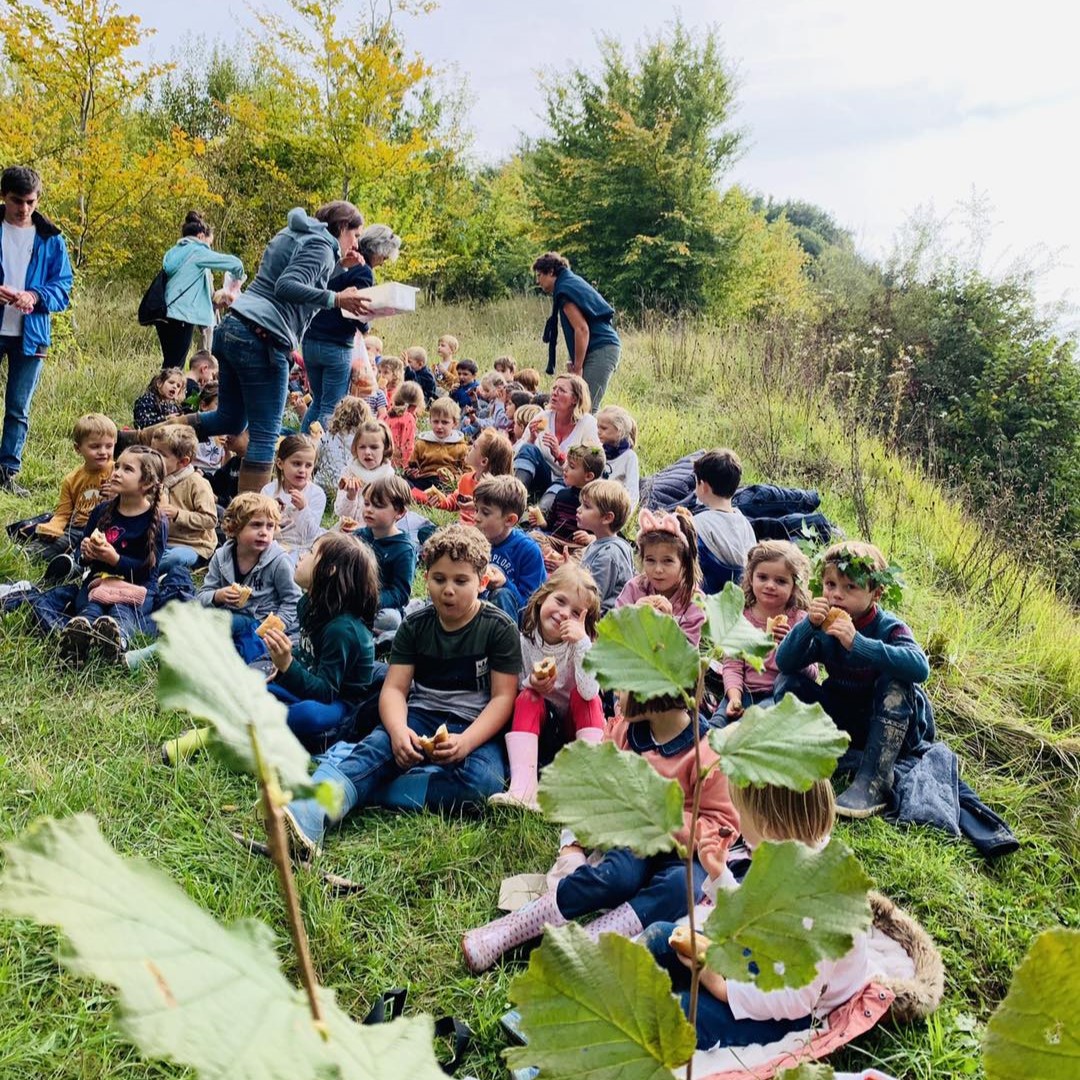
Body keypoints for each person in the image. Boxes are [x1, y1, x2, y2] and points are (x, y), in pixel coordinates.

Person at [461, 683, 739, 972]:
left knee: (681, 888)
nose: (615, 693)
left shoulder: (708, 754)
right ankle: (513, 927)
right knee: (617, 874)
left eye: (623, 684)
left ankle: (590, 943)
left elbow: (722, 825)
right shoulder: (624, 733)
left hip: (686, 854)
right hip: (633, 838)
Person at [280, 524, 522, 855]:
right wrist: (397, 731)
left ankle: (372, 788)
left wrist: (466, 742)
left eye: (460, 581)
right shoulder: (415, 625)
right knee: (376, 750)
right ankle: (308, 813)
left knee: (483, 785)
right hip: (420, 714)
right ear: (427, 579)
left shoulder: (499, 628)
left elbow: (503, 697)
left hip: (475, 724)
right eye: (439, 579)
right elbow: (394, 689)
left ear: (481, 582)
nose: (448, 590)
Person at [137, 203, 373, 496]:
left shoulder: (294, 232)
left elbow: (293, 276)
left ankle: (143, 437)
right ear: (342, 227)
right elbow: (287, 286)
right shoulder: (323, 246)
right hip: (262, 340)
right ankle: (249, 521)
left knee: (230, 419)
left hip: (234, 328)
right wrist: (337, 299)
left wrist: (340, 266)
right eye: (355, 234)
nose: (356, 243)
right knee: (264, 436)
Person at [639, 780, 869, 1051]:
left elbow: (797, 999)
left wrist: (722, 988)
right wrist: (718, 873)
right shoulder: (782, 852)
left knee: (679, 1014)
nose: (736, 820)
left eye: (740, 811)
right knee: (660, 938)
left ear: (766, 826)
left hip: (796, 1005)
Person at [775, 540, 932, 818]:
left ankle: (875, 780)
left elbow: (920, 668)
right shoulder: (824, 626)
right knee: (788, 683)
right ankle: (806, 755)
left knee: (895, 681)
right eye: (830, 584)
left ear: (876, 593)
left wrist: (858, 643)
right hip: (845, 715)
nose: (837, 595)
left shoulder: (888, 627)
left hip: (884, 722)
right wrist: (807, 626)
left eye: (851, 587)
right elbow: (785, 662)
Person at [489, 564, 604, 810]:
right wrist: (533, 683)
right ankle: (524, 789)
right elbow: (513, 686)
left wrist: (583, 642)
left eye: (576, 613)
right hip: (537, 735)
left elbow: (589, 691)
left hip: (575, 732)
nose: (564, 614)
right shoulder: (523, 641)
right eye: (560, 601)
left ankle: (590, 788)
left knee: (588, 700)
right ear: (542, 598)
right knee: (528, 697)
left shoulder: (581, 647)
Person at [40, 446, 168, 667]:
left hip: (134, 588)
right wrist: (86, 553)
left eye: (128, 469)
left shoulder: (155, 521)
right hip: (98, 581)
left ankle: (117, 640)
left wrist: (115, 559)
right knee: (91, 608)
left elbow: (147, 569)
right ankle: (77, 641)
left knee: (120, 611)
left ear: (146, 483)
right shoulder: (102, 511)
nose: (116, 472)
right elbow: (83, 553)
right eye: (117, 466)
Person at [262, 532, 379, 751]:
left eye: (310, 552)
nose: (300, 556)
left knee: (308, 715)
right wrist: (282, 669)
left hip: (341, 702)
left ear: (329, 569)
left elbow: (326, 692)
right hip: (313, 679)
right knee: (255, 685)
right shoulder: (307, 603)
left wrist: (287, 665)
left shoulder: (341, 629)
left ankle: (262, 725)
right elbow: (307, 653)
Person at [0, 166, 73, 496]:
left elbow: (64, 286)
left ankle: (7, 473)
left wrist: (36, 295)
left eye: (30, 201)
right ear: (4, 196)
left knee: (18, 407)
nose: (24, 208)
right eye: (17, 201)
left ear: (38, 199)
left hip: (32, 333)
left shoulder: (52, 239)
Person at [301, 223, 401, 434]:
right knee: (331, 407)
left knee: (317, 402)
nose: (383, 263)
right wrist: (367, 324)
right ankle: (320, 459)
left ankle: (299, 449)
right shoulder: (363, 271)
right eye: (384, 257)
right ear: (379, 250)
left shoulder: (341, 260)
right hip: (335, 344)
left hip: (310, 339)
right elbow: (358, 312)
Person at [195, 492, 301, 662]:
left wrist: (273, 629)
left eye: (270, 526)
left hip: (260, 624)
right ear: (235, 528)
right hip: (230, 617)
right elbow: (201, 596)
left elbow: (293, 600)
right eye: (256, 525)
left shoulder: (279, 561)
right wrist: (218, 595)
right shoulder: (221, 556)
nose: (264, 532)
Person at [718, 541, 817, 719]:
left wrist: (792, 647)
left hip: (779, 695)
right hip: (744, 692)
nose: (770, 585)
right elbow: (732, 665)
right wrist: (734, 697)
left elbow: (812, 674)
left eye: (780, 581)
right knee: (718, 722)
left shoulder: (801, 621)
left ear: (794, 586)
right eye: (763, 577)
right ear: (751, 578)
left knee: (755, 722)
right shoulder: (740, 618)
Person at [7, 413, 116, 564]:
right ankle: (28, 554)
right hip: (77, 527)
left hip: (107, 526)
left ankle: (75, 564)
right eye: (95, 446)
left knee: (102, 547)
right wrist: (53, 529)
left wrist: (117, 494)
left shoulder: (117, 471)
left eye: (109, 446)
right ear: (78, 448)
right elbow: (63, 513)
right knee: (61, 541)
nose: (103, 452)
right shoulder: (71, 480)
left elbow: (134, 498)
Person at [155, 211, 245, 369]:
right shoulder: (197, 251)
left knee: (169, 363)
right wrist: (236, 281)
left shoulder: (173, 252)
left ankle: (156, 392)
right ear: (201, 236)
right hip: (182, 316)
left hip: (164, 314)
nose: (208, 248)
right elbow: (235, 264)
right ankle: (159, 393)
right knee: (175, 367)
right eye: (209, 244)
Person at [533, 251, 621, 411]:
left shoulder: (564, 290)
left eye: (539, 275)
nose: (537, 281)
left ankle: (599, 436)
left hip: (601, 348)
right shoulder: (568, 283)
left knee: (585, 408)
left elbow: (582, 329)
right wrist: (572, 358)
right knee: (579, 406)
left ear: (551, 272)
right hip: (596, 348)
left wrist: (578, 367)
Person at [616, 507, 706, 646]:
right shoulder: (634, 588)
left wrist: (667, 624)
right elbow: (612, 633)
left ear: (684, 563)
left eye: (668, 561)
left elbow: (687, 655)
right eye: (650, 560)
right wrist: (633, 616)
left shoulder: (694, 600)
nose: (658, 569)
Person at [513, 374, 599, 507]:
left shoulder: (588, 425)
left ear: (575, 399)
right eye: (554, 388)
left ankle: (540, 515)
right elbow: (517, 451)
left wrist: (560, 456)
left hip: (568, 482)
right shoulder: (542, 417)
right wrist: (531, 439)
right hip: (541, 476)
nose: (554, 393)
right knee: (528, 449)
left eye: (562, 390)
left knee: (559, 488)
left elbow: (591, 466)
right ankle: (513, 497)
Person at [474, 474, 547, 621]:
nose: (477, 517)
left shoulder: (528, 551)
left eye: (485, 512)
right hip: (477, 613)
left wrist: (505, 583)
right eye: (477, 510)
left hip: (513, 623)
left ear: (509, 520)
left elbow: (529, 609)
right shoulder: (476, 541)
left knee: (502, 594)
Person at [353, 475, 417, 642]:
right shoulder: (359, 536)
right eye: (367, 504)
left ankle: (378, 637)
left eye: (378, 506)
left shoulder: (403, 549)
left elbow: (401, 593)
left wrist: (372, 601)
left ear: (400, 512)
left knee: (390, 619)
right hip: (353, 596)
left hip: (380, 605)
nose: (369, 510)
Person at [151, 425, 218, 575]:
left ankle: (146, 571)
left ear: (183, 462)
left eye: (160, 454)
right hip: (159, 542)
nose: (152, 458)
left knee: (175, 558)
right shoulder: (152, 479)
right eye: (151, 452)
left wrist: (177, 514)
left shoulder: (197, 483)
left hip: (191, 545)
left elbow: (210, 519)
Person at [527, 443, 605, 568]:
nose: (565, 469)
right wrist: (540, 522)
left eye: (572, 467)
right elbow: (551, 524)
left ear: (588, 476)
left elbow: (604, 533)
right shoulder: (562, 494)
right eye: (567, 464)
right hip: (555, 541)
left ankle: (561, 564)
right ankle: (555, 560)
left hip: (577, 547)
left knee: (585, 554)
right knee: (533, 535)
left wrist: (590, 537)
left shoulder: (596, 502)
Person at [693, 449, 757, 593]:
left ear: (704, 487)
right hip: (739, 599)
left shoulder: (697, 524)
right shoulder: (745, 524)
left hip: (705, 601)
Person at [422, 428, 514, 528]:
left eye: (474, 447)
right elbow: (455, 500)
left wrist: (477, 506)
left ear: (483, 461)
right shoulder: (466, 479)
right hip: (461, 527)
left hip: (482, 533)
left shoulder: (496, 492)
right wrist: (442, 501)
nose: (469, 448)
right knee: (426, 530)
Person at [576, 478, 634, 615]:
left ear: (607, 518)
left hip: (600, 623)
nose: (579, 509)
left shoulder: (609, 554)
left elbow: (591, 599)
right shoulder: (602, 543)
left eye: (587, 506)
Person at [262, 434, 324, 562]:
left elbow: (310, 536)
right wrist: (272, 513)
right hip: (272, 545)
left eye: (308, 465)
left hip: (301, 548)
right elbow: (261, 526)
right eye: (296, 464)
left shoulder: (316, 494)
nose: (302, 470)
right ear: (280, 464)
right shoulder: (269, 490)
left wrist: (303, 509)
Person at [333, 420, 395, 525]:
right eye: (362, 447)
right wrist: (350, 496)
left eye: (374, 447)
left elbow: (390, 516)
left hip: (376, 533)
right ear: (355, 448)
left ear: (385, 449)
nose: (367, 452)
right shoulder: (349, 472)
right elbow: (340, 512)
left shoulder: (388, 478)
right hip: (349, 532)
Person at [404, 396, 468, 491]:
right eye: (435, 421)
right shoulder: (422, 443)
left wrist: (455, 479)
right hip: (424, 479)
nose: (439, 426)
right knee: (402, 482)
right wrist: (410, 472)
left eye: (444, 422)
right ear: (430, 420)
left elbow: (468, 471)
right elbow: (411, 465)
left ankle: (437, 499)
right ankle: (420, 496)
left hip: (446, 484)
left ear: (454, 423)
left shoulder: (460, 446)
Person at [313, 395, 372, 493]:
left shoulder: (329, 435)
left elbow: (316, 459)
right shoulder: (362, 442)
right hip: (347, 488)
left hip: (321, 485)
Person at [596, 404, 640, 509]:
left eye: (604, 428)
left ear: (619, 430)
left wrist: (625, 514)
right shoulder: (599, 451)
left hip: (614, 506)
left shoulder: (629, 457)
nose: (598, 431)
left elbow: (632, 491)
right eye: (598, 427)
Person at [385, 382, 423, 470]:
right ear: (414, 406)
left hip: (382, 461)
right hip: (396, 466)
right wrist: (406, 468)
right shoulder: (408, 419)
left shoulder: (386, 415)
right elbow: (407, 447)